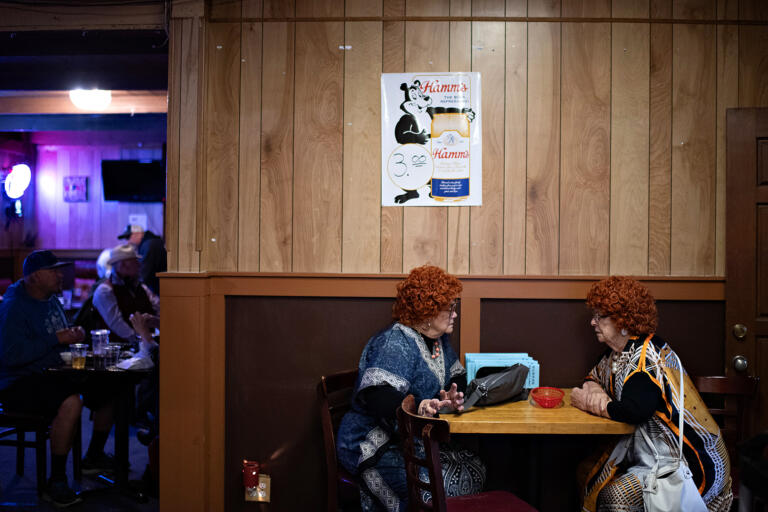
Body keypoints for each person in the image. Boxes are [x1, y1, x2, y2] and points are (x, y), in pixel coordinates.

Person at [571, 276, 732, 512]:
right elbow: (594, 376)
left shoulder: (646, 357)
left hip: (690, 464)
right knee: (588, 471)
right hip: (654, 456)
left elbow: (636, 411)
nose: (593, 323)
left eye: (600, 316)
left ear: (622, 319)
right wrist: (594, 390)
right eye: (593, 316)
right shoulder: (619, 352)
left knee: (615, 495)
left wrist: (588, 403)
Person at [336, 265, 485, 511]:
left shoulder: (438, 340)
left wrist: (449, 395)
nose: (455, 314)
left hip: (411, 439)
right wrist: (419, 406)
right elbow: (378, 396)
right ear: (428, 311)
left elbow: (454, 376)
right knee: (441, 486)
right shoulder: (396, 341)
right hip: (373, 444)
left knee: (474, 469)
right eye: (450, 308)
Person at [0, 250, 117, 507]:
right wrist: (58, 339)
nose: (60, 275)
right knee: (71, 402)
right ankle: (57, 481)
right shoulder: (14, 307)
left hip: (54, 373)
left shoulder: (51, 298)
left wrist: (74, 336)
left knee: (111, 386)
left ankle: (93, 457)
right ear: (34, 277)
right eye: (53, 271)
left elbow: (59, 336)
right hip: (19, 384)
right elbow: (11, 356)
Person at [92, 244, 159, 350]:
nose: (139, 264)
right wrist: (143, 340)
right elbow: (118, 325)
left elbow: (158, 307)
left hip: (145, 346)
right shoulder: (105, 291)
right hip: (118, 352)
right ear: (123, 265)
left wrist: (158, 322)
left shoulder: (141, 287)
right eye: (135, 261)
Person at [116, 224, 166, 295]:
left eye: (128, 237)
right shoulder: (151, 242)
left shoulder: (148, 245)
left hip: (158, 290)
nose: (128, 241)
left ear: (138, 234)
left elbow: (144, 273)